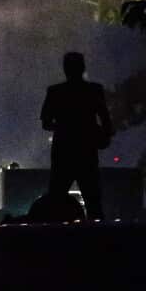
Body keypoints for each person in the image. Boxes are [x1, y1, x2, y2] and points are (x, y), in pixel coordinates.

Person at [41, 52, 112, 220]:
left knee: (55, 201)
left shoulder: (55, 91)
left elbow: (46, 123)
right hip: (86, 151)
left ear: (65, 69)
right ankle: (99, 242)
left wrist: (65, 127)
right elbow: (106, 120)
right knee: (93, 202)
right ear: (83, 68)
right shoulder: (94, 90)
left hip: (63, 152)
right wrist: (100, 135)